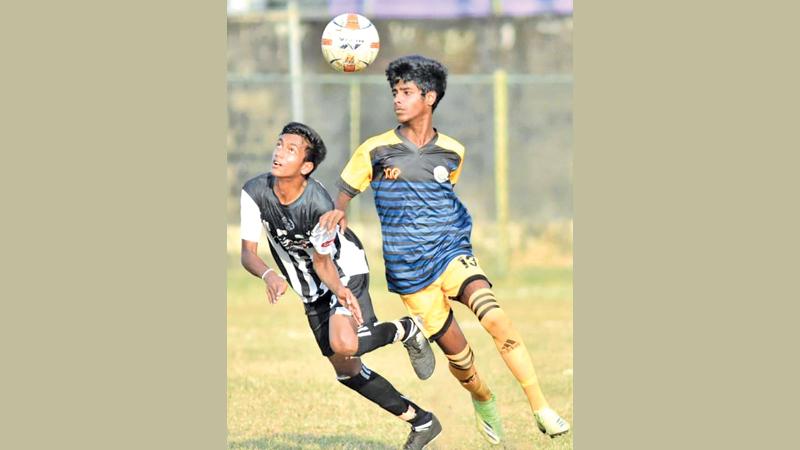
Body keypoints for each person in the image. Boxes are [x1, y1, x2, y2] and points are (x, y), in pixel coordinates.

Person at [318, 55, 570, 445]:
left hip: (452, 252)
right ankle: (483, 398)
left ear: (430, 97)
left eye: (406, 92)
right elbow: (345, 193)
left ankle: (541, 408)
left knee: (496, 319)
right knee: (461, 359)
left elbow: (444, 194)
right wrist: (338, 214)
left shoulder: (452, 151)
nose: (397, 100)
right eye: (395, 93)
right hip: (408, 274)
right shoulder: (375, 150)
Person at [240, 122, 441, 449]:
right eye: (279, 144)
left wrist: (340, 292)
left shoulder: (319, 204)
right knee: (347, 371)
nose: (279, 152)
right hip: (310, 288)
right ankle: (422, 421)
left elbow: (323, 262)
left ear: (306, 167)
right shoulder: (254, 192)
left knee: (345, 343)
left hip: (342, 268)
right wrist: (269, 274)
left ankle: (406, 329)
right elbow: (248, 254)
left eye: (290, 149)